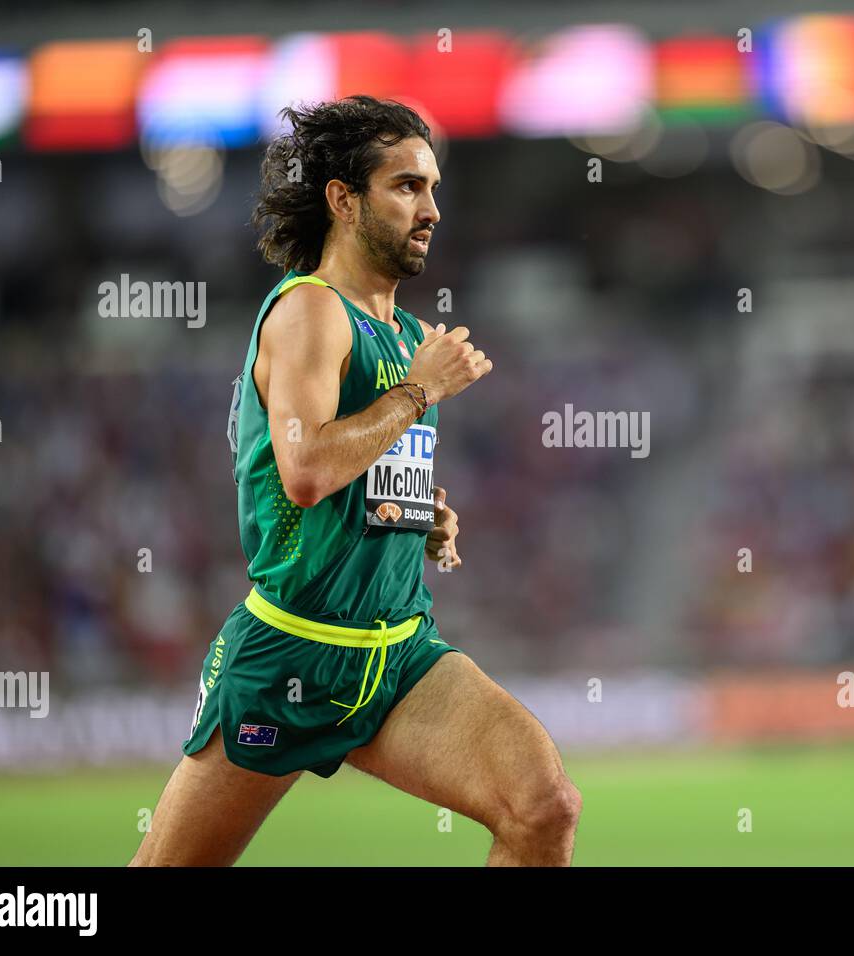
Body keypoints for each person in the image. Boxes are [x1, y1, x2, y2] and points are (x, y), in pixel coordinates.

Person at [131, 96, 581, 866]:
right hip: (290, 655)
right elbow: (305, 471)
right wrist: (417, 393)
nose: (431, 208)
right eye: (406, 186)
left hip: (398, 652)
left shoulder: (407, 335)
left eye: (433, 187)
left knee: (543, 808)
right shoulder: (311, 311)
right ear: (342, 198)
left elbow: (356, 469)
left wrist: (415, 517)